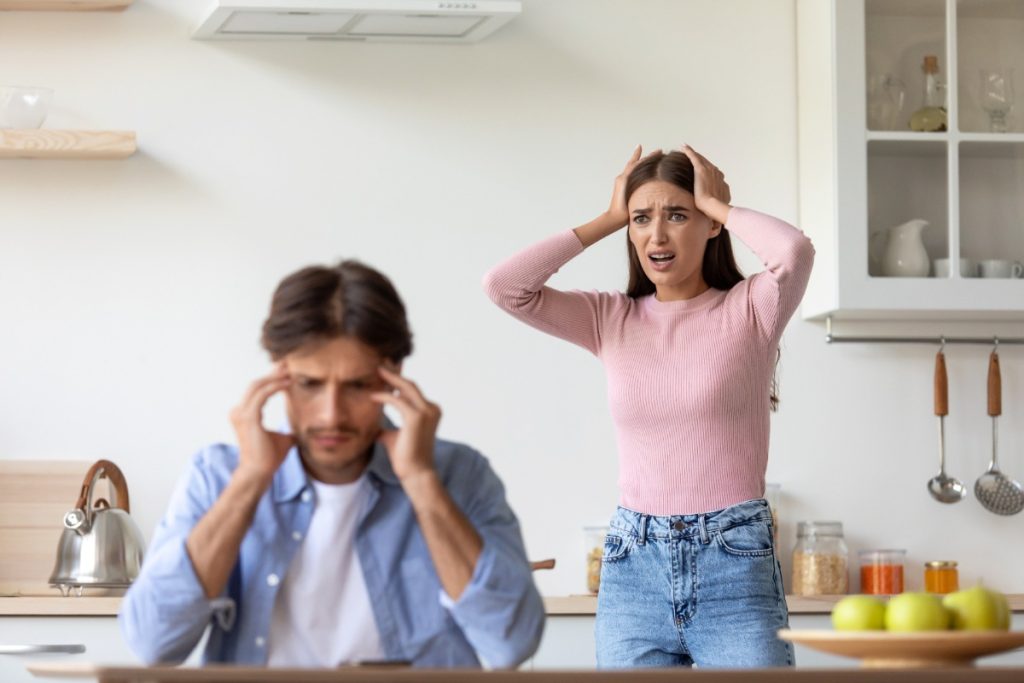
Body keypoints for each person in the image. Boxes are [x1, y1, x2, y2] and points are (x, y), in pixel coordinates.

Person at [483, 144, 814, 668]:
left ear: (708, 226)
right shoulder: (609, 318)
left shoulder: (751, 309)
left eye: (678, 215)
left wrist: (722, 206)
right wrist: (608, 218)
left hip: (734, 561)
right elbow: (505, 287)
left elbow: (794, 251)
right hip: (633, 564)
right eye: (642, 219)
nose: (656, 236)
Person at [120, 260, 545, 668]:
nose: (331, 415)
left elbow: (511, 644)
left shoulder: (459, 473)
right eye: (309, 384)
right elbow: (153, 644)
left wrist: (421, 481)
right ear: (278, 373)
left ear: (394, 374)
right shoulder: (218, 475)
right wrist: (250, 480)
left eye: (358, 386)